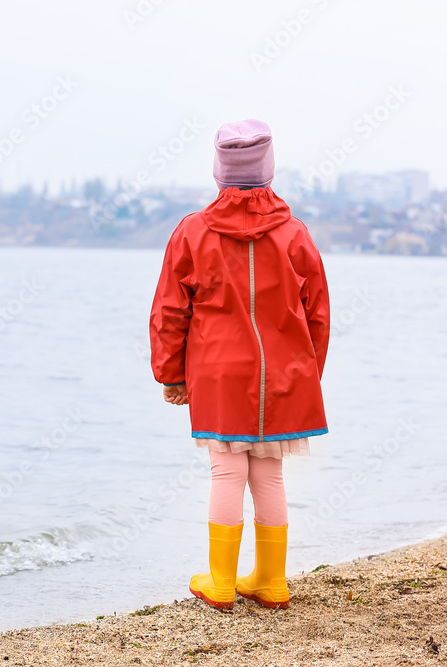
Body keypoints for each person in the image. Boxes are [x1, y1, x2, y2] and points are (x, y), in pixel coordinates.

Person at [149, 119, 330, 611]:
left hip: (218, 374)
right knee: (269, 475)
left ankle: (222, 582)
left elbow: (170, 309)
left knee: (226, 474)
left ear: (219, 173)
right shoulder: (294, 234)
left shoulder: (192, 231)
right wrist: (308, 374)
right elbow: (317, 310)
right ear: (269, 171)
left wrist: (170, 373)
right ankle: (271, 581)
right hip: (282, 376)